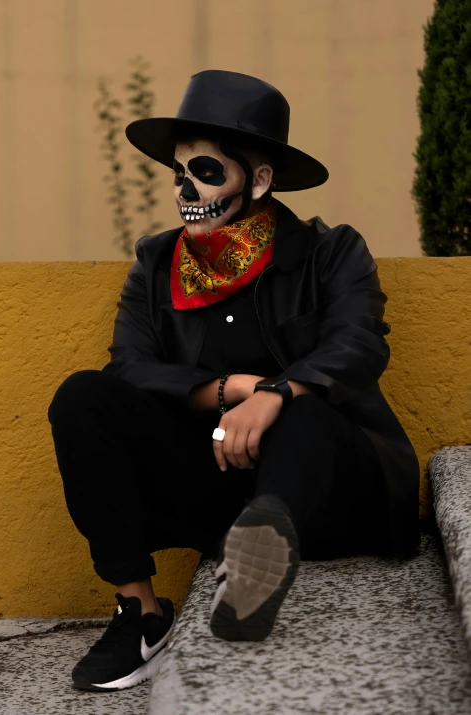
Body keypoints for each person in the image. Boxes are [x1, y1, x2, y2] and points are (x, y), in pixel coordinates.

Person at [48, 70, 420, 693]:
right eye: (177, 173)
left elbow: (357, 347)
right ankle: (139, 615)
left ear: (261, 179)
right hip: (218, 483)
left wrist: (278, 396)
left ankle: (262, 554)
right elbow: (130, 366)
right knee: (83, 395)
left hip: (331, 492)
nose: (185, 188)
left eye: (206, 171)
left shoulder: (331, 253)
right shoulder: (155, 264)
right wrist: (236, 390)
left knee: (301, 408)